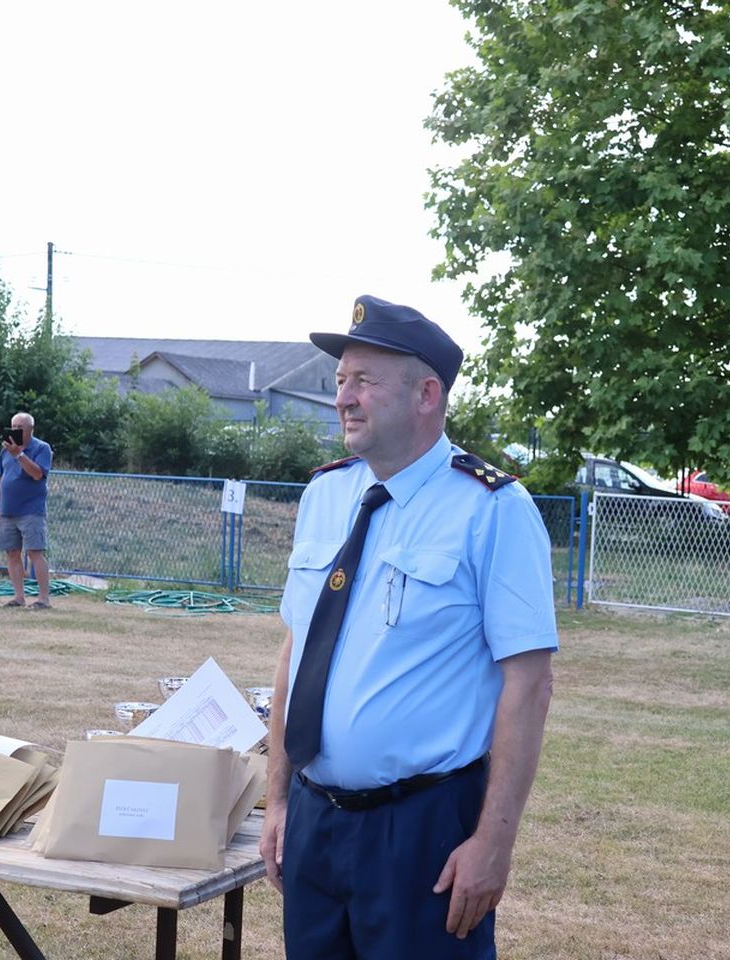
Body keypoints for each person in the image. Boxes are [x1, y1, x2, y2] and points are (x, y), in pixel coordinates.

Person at [260, 295, 557, 959]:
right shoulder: (325, 494)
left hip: (422, 831)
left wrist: (493, 843)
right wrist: (276, 802)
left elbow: (529, 684)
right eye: (340, 380)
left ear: (427, 394)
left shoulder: (492, 509)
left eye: (364, 381)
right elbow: (296, 652)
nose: (343, 398)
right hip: (313, 820)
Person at [0, 412, 53, 609]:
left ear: (31, 429)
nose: (15, 431)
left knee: (34, 553)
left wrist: (19, 455)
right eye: (13, 427)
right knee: (12, 553)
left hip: (31, 511)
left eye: (20, 428)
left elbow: (37, 474)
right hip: (7, 511)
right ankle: (18, 597)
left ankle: (43, 599)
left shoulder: (42, 448)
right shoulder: (5, 451)